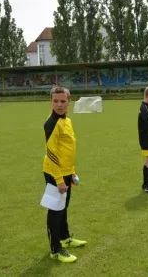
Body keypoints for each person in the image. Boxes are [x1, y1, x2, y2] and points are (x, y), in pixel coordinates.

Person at [42, 86, 86, 263]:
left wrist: (72, 172)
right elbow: (52, 153)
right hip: (54, 173)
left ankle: (65, 238)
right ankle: (55, 249)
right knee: (55, 211)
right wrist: (59, 180)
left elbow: (68, 150)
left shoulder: (67, 120)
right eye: (55, 101)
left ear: (69, 102)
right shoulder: (51, 123)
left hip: (66, 172)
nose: (59, 105)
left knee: (63, 208)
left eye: (62, 101)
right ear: (51, 102)